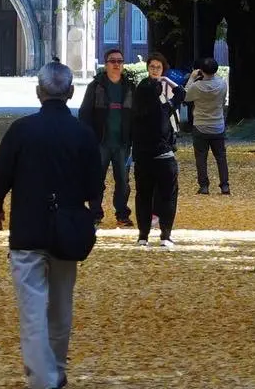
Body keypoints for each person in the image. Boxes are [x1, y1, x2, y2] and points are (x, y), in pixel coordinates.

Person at [0, 60, 103, 389]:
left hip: (28, 227)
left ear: (39, 92)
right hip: (67, 228)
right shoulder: (83, 133)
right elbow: (94, 185)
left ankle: (42, 379)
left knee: (32, 308)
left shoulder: (21, 130)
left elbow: (0, 175)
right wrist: (90, 214)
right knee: (61, 305)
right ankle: (57, 369)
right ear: (70, 91)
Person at [130, 53, 184, 246]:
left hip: (143, 158)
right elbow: (181, 93)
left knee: (143, 196)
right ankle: (165, 235)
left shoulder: (136, 113)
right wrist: (167, 80)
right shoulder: (163, 110)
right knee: (167, 195)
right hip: (163, 157)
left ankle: (143, 236)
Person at [77, 48, 135, 228]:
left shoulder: (130, 87)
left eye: (120, 61)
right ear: (106, 64)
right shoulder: (95, 86)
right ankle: (95, 213)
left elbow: (136, 114)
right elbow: (84, 113)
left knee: (123, 182)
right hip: (100, 142)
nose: (116, 64)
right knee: (96, 179)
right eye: (112, 61)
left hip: (123, 143)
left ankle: (122, 214)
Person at [184, 54, 231, 195]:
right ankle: (224, 185)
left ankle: (204, 186)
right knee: (221, 157)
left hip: (200, 125)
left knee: (201, 157)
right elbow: (223, 102)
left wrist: (192, 78)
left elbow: (185, 96)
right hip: (218, 125)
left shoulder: (197, 86)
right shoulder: (222, 84)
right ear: (216, 70)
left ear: (201, 70)